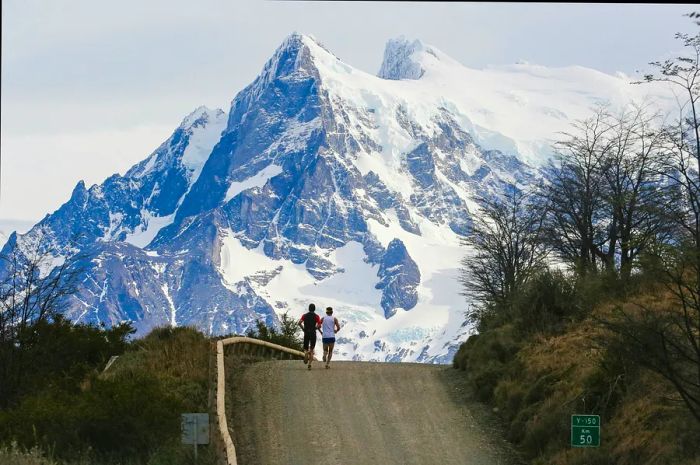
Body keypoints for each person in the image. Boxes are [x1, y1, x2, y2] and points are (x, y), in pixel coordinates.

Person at [298, 303, 322, 370]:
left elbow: (299, 323)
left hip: (306, 333)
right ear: (314, 309)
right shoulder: (316, 316)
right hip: (313, 333)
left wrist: (303, 329)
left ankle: (306, 353)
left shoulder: (304, 316)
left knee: (305, 348)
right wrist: (315, 328)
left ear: (309, 309)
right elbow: (319, 325)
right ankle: (309, 364)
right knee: (312, 349)